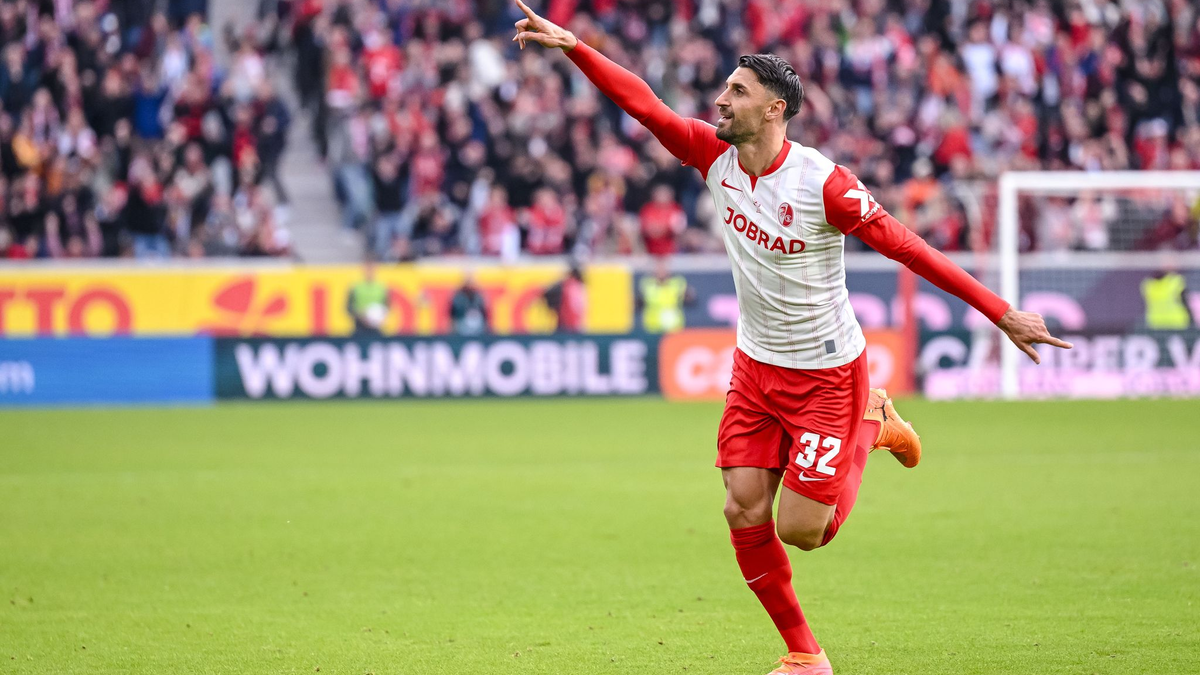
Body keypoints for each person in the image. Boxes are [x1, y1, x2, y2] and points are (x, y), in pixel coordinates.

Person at [511, 3, 1073, 674]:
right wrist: (574, 45)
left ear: (775, 109)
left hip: (828, 375)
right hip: (755, 366)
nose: (721, 99)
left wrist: (999, 310)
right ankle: (806, 654)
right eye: (725, 88)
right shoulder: (712, 155)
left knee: (804, 531)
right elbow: (645, 105)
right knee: (741, 507)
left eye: (738, 91)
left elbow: (909, 248)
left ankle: (874, 422)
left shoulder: (822, 184)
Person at [638, 257, 692, 333]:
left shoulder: (678, 283)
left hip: (674, 327)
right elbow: (640, 302)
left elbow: (689, 299)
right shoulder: (647, 284)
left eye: (663, 268)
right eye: (658, 268)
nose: (661, 271)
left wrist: (688, 296)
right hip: (652, 327)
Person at [346, 258, 390, 337]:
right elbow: (348, 308)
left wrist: (381, 317)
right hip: (359, 327)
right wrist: (360, 316)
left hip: (376, 328)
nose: (370, 271)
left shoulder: (381, 287)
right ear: (363, 269)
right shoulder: (355, 287)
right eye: (368, 268)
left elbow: (387, 306)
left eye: (372, 268)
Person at [544, 264, 587, 333]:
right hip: (575, 322)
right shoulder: (580, 286)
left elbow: (549, 292)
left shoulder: (568, 285)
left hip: (566, 321)